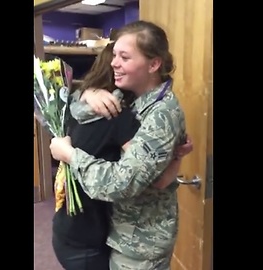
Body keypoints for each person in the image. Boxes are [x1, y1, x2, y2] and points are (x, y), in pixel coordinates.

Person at [50, 20, 187, 270]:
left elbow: (122, 184)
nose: (114, 63)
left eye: (124, 57)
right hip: (118, 230)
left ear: (154, 64)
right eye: (114, 55)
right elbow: (76, 106)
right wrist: (88, 93)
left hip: (140, 243)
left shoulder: (162, 115)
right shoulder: (130, 94)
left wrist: (69, 154)